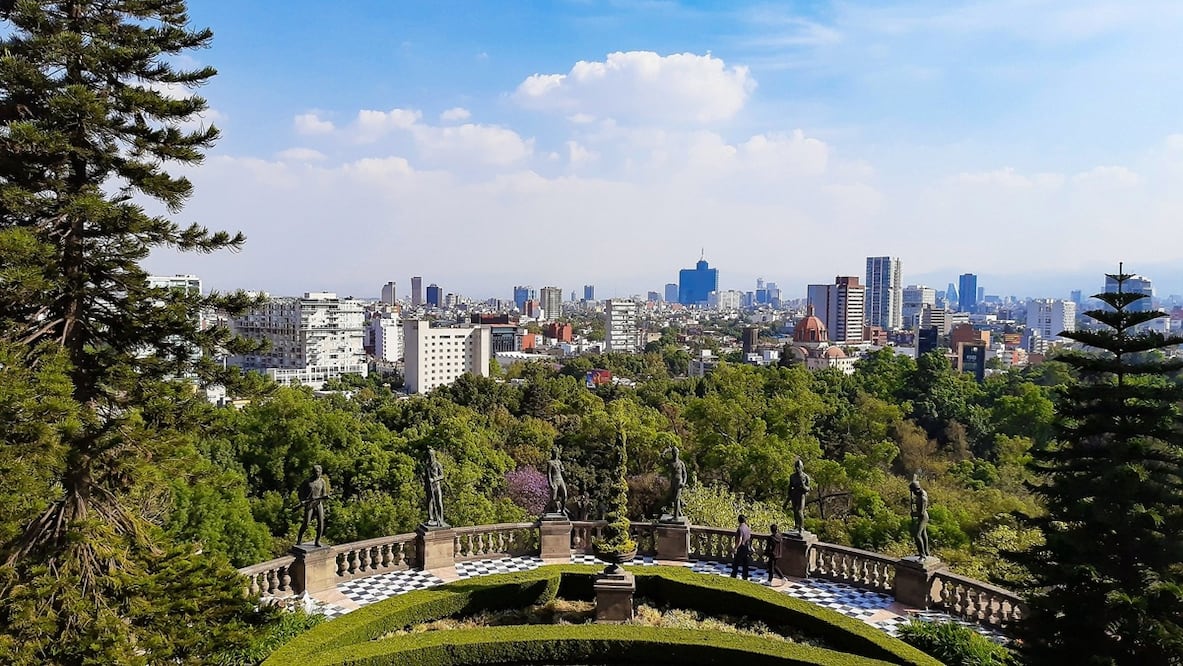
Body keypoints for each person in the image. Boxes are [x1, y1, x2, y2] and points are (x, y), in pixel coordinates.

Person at [296, 464, 330, 546]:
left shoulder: (322, 482)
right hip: (309, 504)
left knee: (321, 522)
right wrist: (302, 501)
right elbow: (300, 493)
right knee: (306, 522)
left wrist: (325, 497)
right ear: (313, 472)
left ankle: (317, 540)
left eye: (319, 472)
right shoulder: (307, 482)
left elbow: (323, 493)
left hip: (318, 504)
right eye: (316, 472)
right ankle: (299, 539)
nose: (317, 474)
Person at [425, 447, 447, 527]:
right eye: (429, 456)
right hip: (429, 486)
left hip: (436, 486)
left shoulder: (438, 464)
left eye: (431, 455)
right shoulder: (427, 466)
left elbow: (442, 475)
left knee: (439, 502)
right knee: (430, 503)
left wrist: (434, 479)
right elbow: (425, 477)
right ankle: (430, 518)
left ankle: (441, 519)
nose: (430, 457)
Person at [909, 474, 930, 559]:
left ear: (916, 490)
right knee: (923, 534)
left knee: (917, 535)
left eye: (913, 491)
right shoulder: (920, 493)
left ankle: (922, 555)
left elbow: (921, 513)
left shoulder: (923, 498)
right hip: (922, 516)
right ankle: (926, 552)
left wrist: (913, 514)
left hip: (923, 517)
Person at [787, 458, 811, 533]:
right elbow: (790, 487)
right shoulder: (792, 476)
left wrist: (803, 484)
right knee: (795, 511)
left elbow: (808, 488)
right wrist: (789, 496)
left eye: (799, 467)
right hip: (794, 495)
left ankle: (801, 527)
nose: (798, 469)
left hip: (801, 496)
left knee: (800, 511)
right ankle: (796, 526)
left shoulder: (806, 477)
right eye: (796, 467)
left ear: (802, 467)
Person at [545, 446, 568, 516]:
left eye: (557, 453)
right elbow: (548, 473)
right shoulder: (550, 462)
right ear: (552, 454)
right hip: (554, 479)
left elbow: (562, 470)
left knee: (565, 495)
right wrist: (550, 483)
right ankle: (547, 510)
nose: (556, 454)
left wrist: (563, 470)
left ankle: (562, 510)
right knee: (553, 498)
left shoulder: (559, 462)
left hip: (560, 479)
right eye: (555, 453)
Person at [667, 445, 687, 521]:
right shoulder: (670, 462)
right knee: (673, 498)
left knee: (676, 499)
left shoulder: (681, 463)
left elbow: (685, 474)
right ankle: (679, 513)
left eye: (676, 452)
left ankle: (676, 517)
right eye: (673, 452)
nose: (675, 454)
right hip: (673, 482)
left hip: (679, 483)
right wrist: (667, 450)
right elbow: (662, 457)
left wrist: (684, 483)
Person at [731, 514, 752, 580]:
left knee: (736, 563)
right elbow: (749, 538)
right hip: (746, 547)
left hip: (741, 548)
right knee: (745, 564)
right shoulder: (747, 528)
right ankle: (745, 577)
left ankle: (733, 576)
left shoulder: (740, 529)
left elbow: (740, 539)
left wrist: (735, 548)